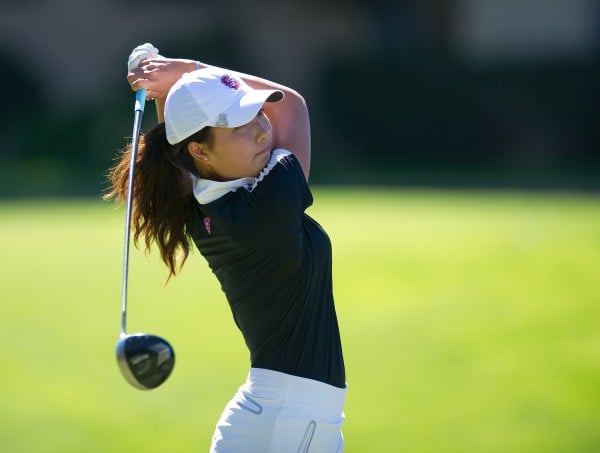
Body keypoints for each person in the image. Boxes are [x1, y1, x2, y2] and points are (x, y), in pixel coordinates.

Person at [105, 44, 347, 452]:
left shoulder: (200, 197)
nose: (261, 131)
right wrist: (184, 71)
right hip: (291, 423)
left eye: (256, 113)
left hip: (276, 416)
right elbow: (291, 107)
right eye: (239, 126)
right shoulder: (270, 203)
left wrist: (173, 89)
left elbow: (180, 142)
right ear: (199, 150)